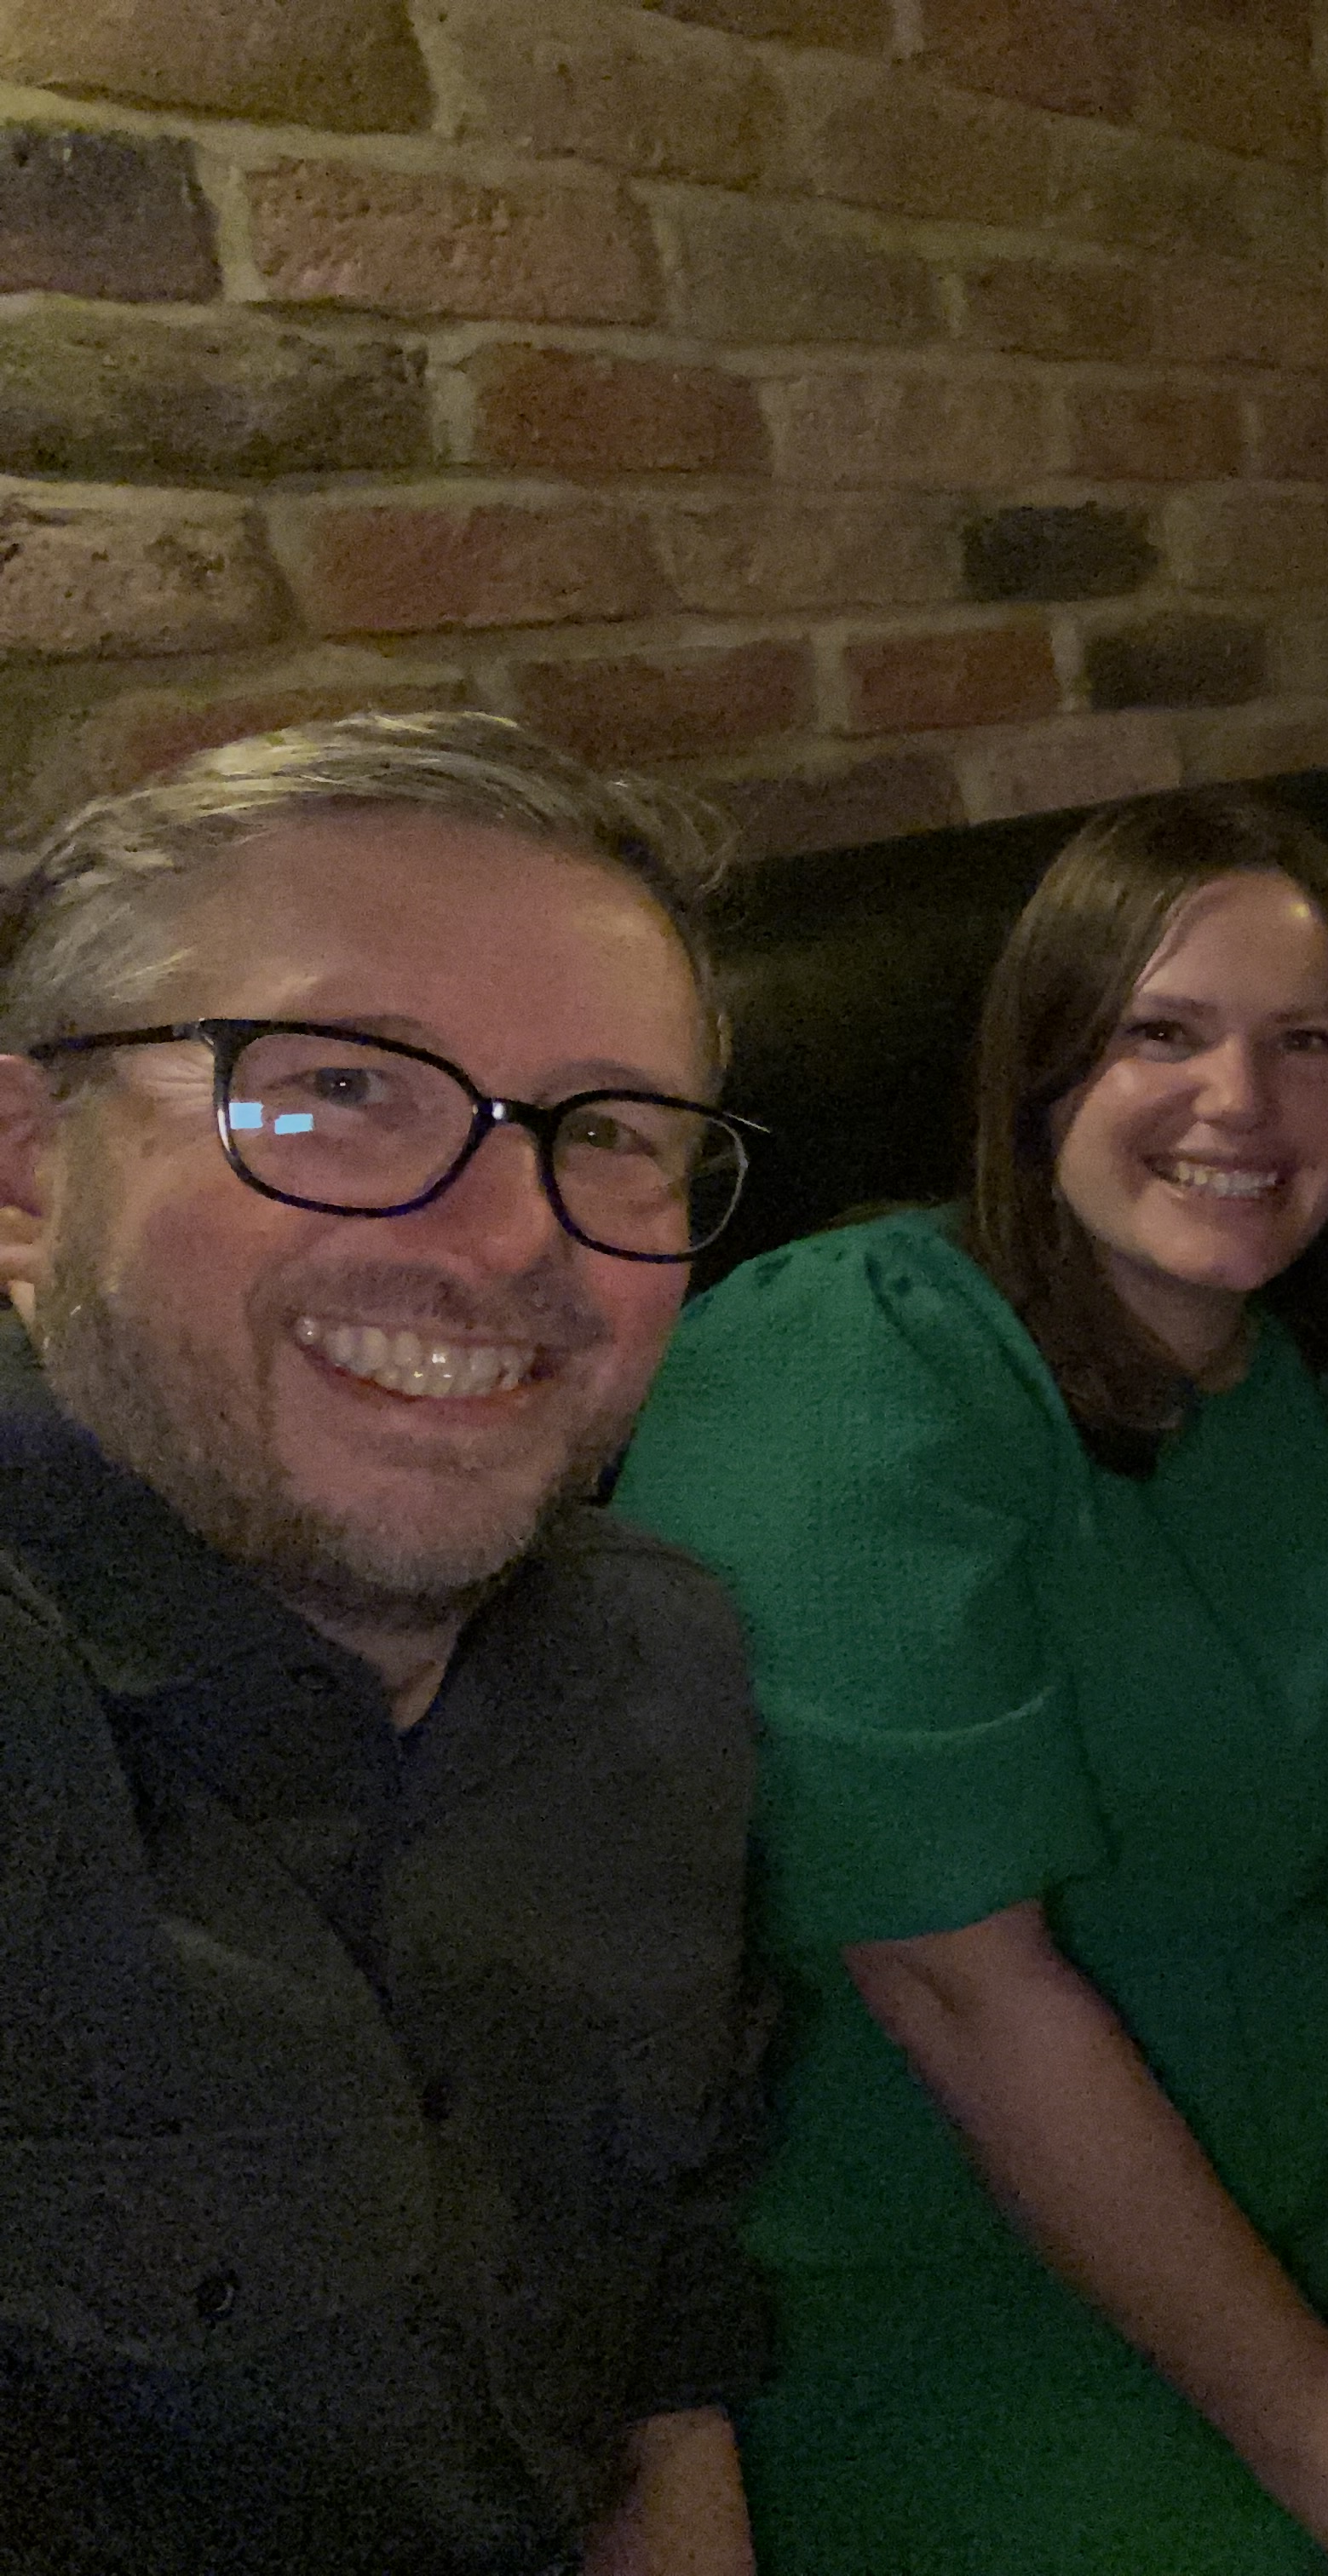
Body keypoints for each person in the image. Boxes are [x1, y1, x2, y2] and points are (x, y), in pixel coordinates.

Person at [612, 789, 1328, 2576]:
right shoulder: (850, 1358)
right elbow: (961, 1991)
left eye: (1304, 1043)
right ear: (1041, 1069)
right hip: (964, 2282)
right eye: (1162, 1032)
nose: (1240, 1100)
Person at [0, 712, 773, 2574]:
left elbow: (651, 2336)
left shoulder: (656, 1668)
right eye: (342, 1088)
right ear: (25, 1171)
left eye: (609, 1133)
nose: (505, 1240)